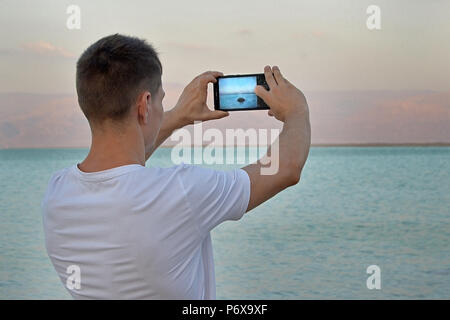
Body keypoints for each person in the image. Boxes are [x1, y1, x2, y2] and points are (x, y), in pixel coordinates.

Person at [41, 34, 311, 299]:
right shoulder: (181, 191)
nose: (162, 108)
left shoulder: (57, 194)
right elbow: (286, 168)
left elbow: (120, 166)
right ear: (145, 104)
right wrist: (297, 111)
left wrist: (179, 116)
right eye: (160, 100)